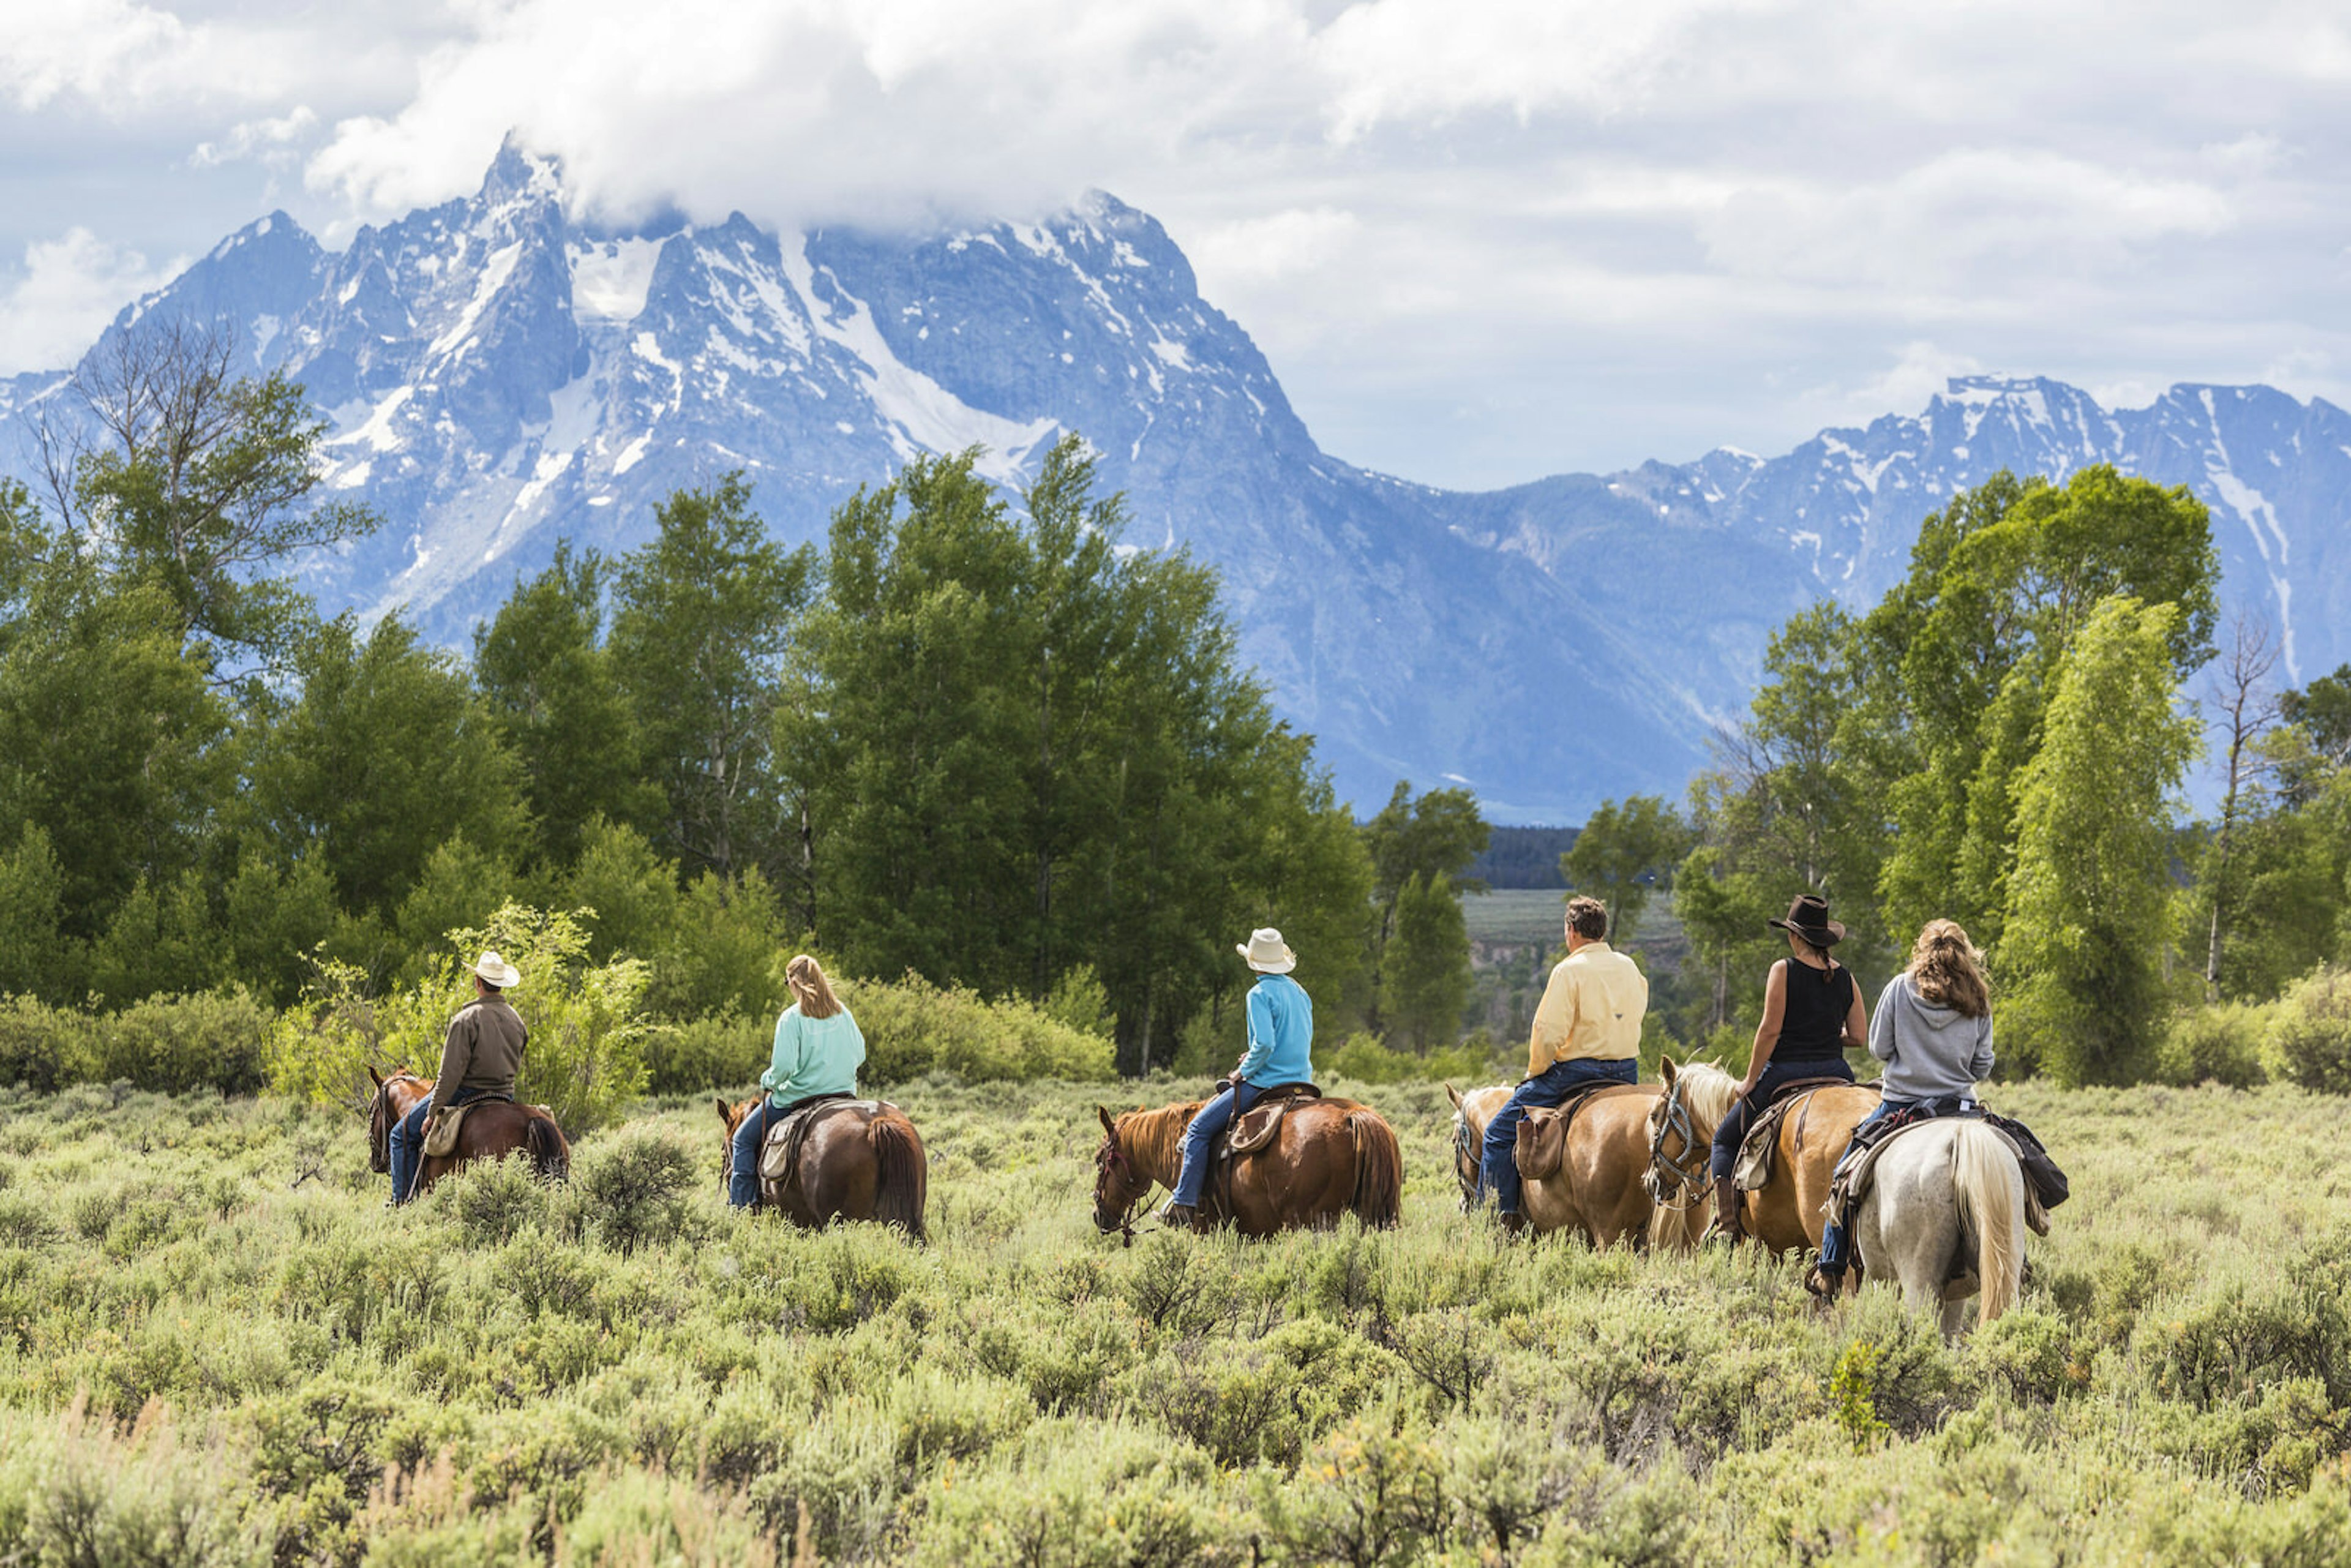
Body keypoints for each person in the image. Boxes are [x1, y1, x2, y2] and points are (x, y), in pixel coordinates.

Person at [1807, 919, 1995, 1294]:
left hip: (1900, 1107)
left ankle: (1830, 1267)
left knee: (1844, 1176)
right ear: (1965, 954)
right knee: (2021, 1160)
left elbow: (1879, 1048)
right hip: (1959, 1108)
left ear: (1922, 952)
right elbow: (1982, 1065)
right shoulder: (1978, 996)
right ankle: (2019, 1257)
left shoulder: (1899, 989)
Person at [1478, 895, 1648, 1236]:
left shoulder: (1568, 970)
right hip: (1627, 1073)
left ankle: (1497, 1222)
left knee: (1497, 1135)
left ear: (1571, 931)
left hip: (1575, 1073)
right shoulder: (1630, 967)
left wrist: (1536, 1070)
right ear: (1602, 931)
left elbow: (1546, 1032)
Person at [1706, 893, 1867, 1244]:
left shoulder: (1784, 970)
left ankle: (1728, 1227)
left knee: (1723, 1140)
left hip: (1786, 1073)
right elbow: (1859, 1036)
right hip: (1837, 1074)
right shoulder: (1846, 977)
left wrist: (1750, 1080)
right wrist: (1827, 1033)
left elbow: (1770, 1030)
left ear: (1795, 936)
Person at [1161, 928, 1314, 1229]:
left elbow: (1267, 1044)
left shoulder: (1258, 993)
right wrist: (1254, 1054)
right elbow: (1292, 1039)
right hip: (1304, 1082)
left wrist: (1243, 1070)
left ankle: (1184, 1205)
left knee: (1198, 1130)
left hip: (1266, 1083)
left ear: (1254, 962)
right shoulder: (1299, 991)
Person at [730, 954, 868, 1209]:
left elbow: (783, 1068)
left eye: (787, 982)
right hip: (844, 1096)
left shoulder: (792, 1018)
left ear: (794, 982)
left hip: (797, 1098)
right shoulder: (842, 1012)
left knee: (742, 1140)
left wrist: (767, 1079)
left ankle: (740, 1208)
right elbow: (860, 1054)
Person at [391, 950, 527, 1205]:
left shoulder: (465, 1020)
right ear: (500, 984)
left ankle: (402, 1204)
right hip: (506, 1095)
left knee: (400, 1136)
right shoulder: (517, 1020)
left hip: (467, 1092)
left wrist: (433, 1113)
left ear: (478, 982)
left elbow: (449, 1076)